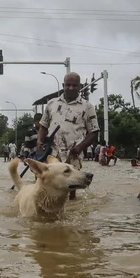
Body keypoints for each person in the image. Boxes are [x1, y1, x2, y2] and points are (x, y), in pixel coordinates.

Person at [37, 72, 100, 200]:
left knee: (72, 190)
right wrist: (39, 142)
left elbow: (94, 132)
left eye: (74, 85)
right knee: (46, 185)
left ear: (80, 86)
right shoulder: (51, 104)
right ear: (63, 85)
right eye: (68, 85)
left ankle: (70, 212)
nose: (71, 88)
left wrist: (80, 147)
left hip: (73, 153)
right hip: (52, 153)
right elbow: (43, 126)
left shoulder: (87, 107)